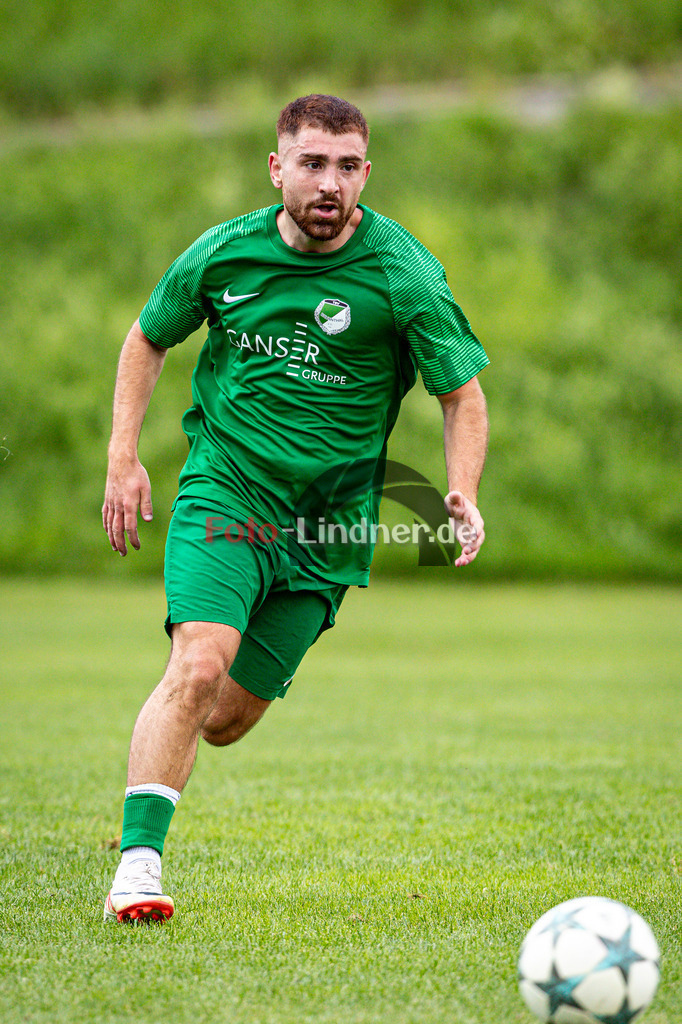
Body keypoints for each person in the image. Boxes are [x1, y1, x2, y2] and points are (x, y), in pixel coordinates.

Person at [102, 94, 489, 924]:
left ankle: (168, 747)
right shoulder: (225, 253)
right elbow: (148, 336)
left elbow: (463, 395)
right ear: (277, 167)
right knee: (199, 663)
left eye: (347, 166)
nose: (329, 183)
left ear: (366, 175)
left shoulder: (403, 272)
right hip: (227, 491)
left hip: (327, 530)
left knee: (226, 719)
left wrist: (460, 490)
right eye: (311, 163)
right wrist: (122, 455)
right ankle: (138, 868)